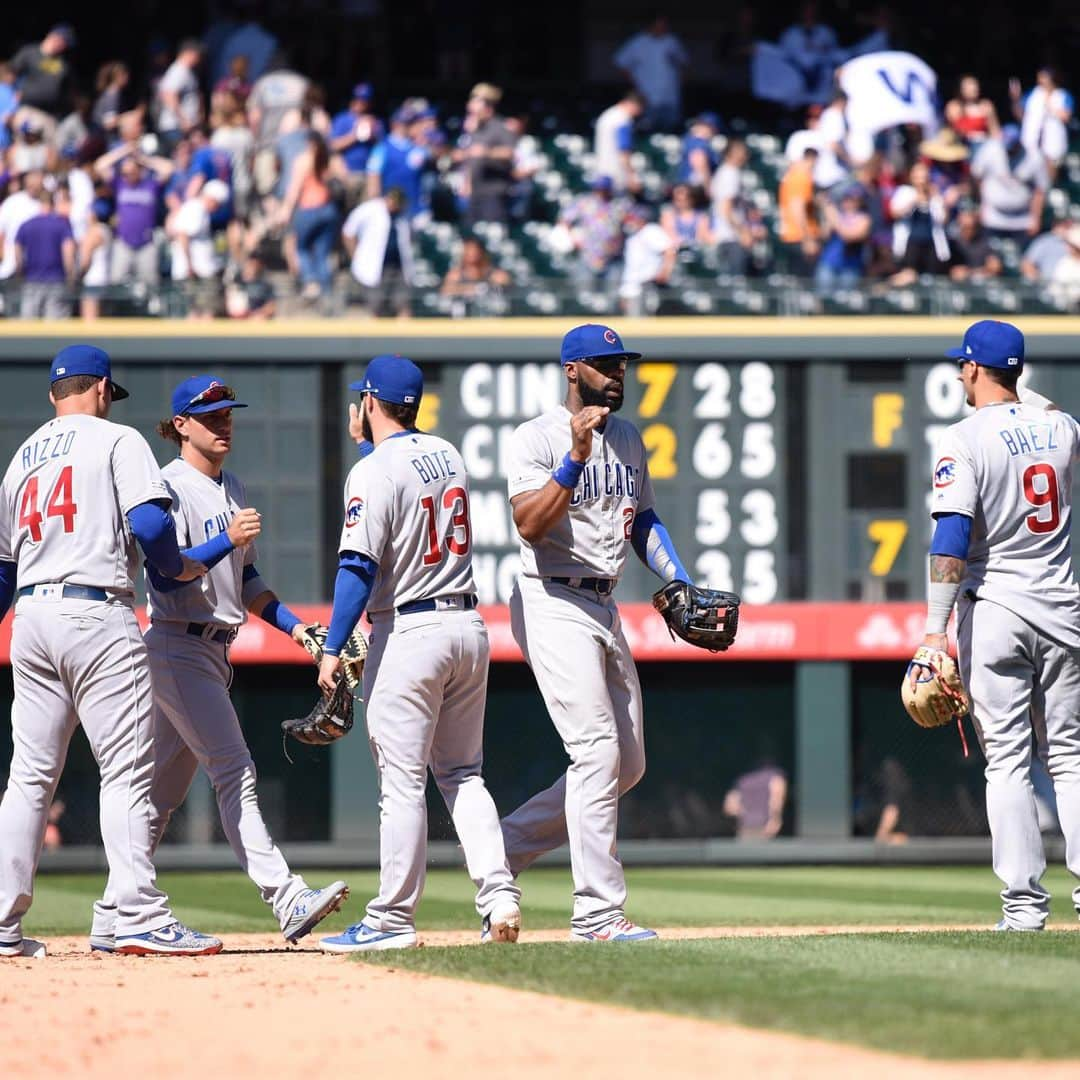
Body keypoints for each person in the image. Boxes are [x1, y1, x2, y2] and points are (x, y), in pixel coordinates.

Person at [89, 375, 349, 951]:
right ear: (181, 425)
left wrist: (297, 628)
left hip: (212, 647)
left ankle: (113, 911)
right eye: (211, 415)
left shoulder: (232, 483)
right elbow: (163, 571)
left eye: (228, 412)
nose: (224, 422)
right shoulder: (165, 487)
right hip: (177, 643)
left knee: (158, 794)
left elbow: (248, 581)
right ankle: (285, 897)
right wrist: (228, 539)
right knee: (235, 771)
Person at [0, 344, 218, 958]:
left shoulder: (21, 459)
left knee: (29, 777)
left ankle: (3, 926)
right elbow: (150, 526)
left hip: (32, 615)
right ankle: (140, 916)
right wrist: (175, 569)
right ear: (101, 390)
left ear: (53, 395)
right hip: (94, 610)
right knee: (125, 770)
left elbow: (2, 568)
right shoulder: (117, 441)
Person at [315, 354, 521, 952]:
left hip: (409, 635)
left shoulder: (373, 472)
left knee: (402, 784)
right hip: (467, 627)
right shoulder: (448, 454)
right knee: (463, 773)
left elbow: (358, 564)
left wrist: (332, 647)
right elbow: (399, 487)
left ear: (370, 404)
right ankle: (499, 895)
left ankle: (391, 920)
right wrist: (368, 446)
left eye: (361, 400)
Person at [499, 324, 693, 942]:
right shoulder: (535, 437)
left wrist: (680, 579)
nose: (618, 374)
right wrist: (575, 457)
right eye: (605, 364)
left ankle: (498, 851)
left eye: (623, 364)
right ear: (573, 371)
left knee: (625, 763)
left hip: (604, 603)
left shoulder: (630, 438)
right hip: (551, 596)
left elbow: (643, 520)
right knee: (595, 751)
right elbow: (529, 525)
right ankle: (597, 913)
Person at [918, 320, 1080, 930]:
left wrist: (935, 632)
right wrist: (1020, 391)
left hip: (996, 610)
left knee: (1008, 762)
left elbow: (951, 538)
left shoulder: (962, 437)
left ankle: (1023, 908)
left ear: (974, 370)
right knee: (1071, 757)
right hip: (1065, 607)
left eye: (964, 364)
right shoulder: (1061, 429)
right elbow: (1053, 415)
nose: (960, 372)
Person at [341, 186, 413, 317]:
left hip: (398, 267)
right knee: (375, 307)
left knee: (403, 305)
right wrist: (355, 256)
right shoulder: (370, 209)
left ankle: (405, 336)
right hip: (374, 267)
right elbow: (348, 232)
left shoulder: (401, 217)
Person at [971, 125, 1048, 241]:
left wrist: (1035, 218)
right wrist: (982, 204)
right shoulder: (991, 148)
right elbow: (977, 176)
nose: (1008, 151)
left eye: (1012, 148)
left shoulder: (1033, 156)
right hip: (993, 217)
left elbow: (1040, 190)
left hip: (1022, 220)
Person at [613, 15, 688, 131]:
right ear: (650, 26)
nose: (662, 29)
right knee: (647, 129)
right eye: (659, 26)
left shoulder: (672, 41)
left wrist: (680, 80)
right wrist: (635, 85)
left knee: (671, 128)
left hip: (670, 96)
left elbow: (684, 62)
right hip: (647, 96)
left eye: (664, 26)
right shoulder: (638, 42)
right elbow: (620, 63)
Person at [460, 83, 516, 227]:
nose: (471, 107)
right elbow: (469, 159)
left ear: (488, 106)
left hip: (494, 193)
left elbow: (510, 153)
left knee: (492, 235)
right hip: (475, 192)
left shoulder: (500, 127)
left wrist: (487, 152)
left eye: (476, 102)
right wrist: (466, 182)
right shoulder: (473, 129)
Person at [15, 187, 75, 319]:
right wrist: (70, 276)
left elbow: (18, 253)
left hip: (31, 280)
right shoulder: (62, 225)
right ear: (52, 204)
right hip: (56, 280)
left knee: (27, 328)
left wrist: (20, 272)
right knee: (55, 331)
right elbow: (68, 253)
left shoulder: (26, 225)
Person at [888, 161, 950, 285]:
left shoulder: (934, 195)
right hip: (911, 245)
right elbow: (894, 213)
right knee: (908, 276)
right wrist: (916, 198)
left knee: (931, 279)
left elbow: (943, 219)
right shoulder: (905, 192)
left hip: (931, 245)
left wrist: (938, 198)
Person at [1012, 68, 1073, 182]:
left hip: (1053, 143)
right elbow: (1021, 116)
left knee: (1050, 172)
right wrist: (1016, 99)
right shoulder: (1033, 94)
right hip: (1031, 144)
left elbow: (1066, 116)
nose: (1041, 80)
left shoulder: (1063, 95)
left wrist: (1049, 104)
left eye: (1044, 77)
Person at [329, 82, 383, 204]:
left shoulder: (375, 121)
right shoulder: (342, 119)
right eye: (358, 99)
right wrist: (355, 135)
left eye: (364, 100)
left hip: (369, 176)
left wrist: (373, 133)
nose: (360, 103)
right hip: (347, 174)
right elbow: (332, 146)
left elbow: (382, 149)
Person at [619, 205, 676, 315]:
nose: (630, 221)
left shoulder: (651, 230)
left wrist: (665, 272)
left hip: (647, 286)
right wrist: (624, 292)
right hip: (631, 287)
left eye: (633, 218)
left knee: (645, 326)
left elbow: (669, 251)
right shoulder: (632, 236)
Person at [440, 234, 510, 315]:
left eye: (475, 249)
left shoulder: (495, 274)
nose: (472, 253)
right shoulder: (455, 274)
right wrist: (473, 289)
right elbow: (446, 290)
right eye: (468, 249)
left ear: (481, 251)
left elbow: (506, 286)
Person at [710, 139, 751, 275]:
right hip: (731, 236)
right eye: (738, 152)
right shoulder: (730, 173)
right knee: (736, 282)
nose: (743, 156)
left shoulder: (723, 172)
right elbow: (726, 208)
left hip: (724, 235)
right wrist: (742, 232)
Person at [777, 146, 819, 275]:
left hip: (794, 236)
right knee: (804, 284)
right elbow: (797, 209)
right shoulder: (801, 178)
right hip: (799, 237)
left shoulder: (791, 176)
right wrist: (807, 239)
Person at [157, 40, 204, 153]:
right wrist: (183, 120)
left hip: (183, 127)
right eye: (197, 55)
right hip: (175, 127)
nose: (199, 59)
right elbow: (168, 95)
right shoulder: (178, 70)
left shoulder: (186, 71)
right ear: (189, 53)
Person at [723, 756, 788, 840]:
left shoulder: (742, 780)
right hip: (765, 827)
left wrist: (744, 815)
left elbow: (730, 807)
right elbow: (776, 800)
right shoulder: (775, 776)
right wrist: (775, 820)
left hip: (744, 827)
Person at [593, 90, 644, 195]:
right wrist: (631, 176)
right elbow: (624, 151)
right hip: (617, 176)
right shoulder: (622, 119)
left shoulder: (607, 115)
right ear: (633, 104)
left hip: (601, 171)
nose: (639, 113)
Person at [948, 208, 1002, 283]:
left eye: (972, 227)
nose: (968, 230)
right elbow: (951, 271)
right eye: (965, 227)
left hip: (982, 284)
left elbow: (995, 267)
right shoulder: (953, 244)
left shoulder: (986, 243)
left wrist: (970, 273)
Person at [945, 75, 997, 147]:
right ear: (961, 89)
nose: (973, 88)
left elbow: (995, 131)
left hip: (983, 144)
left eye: (974, 85)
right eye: (969, 86)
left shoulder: (986, 105)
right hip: (961, 145)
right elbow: (951, 130)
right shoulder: (954, 106)